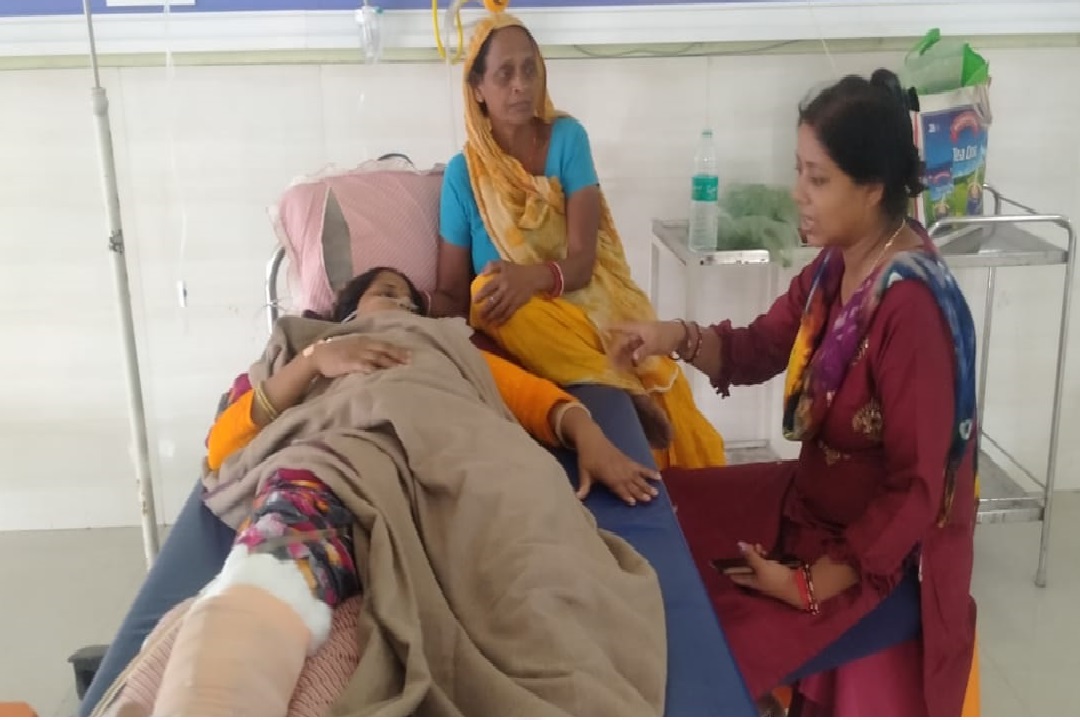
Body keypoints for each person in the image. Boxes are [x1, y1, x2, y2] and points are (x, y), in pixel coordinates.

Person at [608, 70, 979, 716]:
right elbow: (757, 347)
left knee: (699, 650)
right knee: (651, 518)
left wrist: (807, 585)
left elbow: (916, 492)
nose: (797, 193)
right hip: (809, 502)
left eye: (818, 178)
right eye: (798, 171)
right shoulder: (837, 267)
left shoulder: (911, 308)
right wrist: (668, 336)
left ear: (872, 188)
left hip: (875, 555)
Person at [149, 266, 663, 715]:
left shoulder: (448, 343)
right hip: (341, 452)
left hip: (470, 459)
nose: (402, 304)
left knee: (536, 569)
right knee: (279, 551)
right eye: (387, 292)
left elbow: (536, 400)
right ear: (350, 309)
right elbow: (223, 447)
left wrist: (591, 438)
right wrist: (315, 361)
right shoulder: (304, 348)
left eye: (411, 301)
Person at [429, 12, 725, 470]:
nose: (520, 85)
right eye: (505, 74)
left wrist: (530, 278)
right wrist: (407, 308)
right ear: (478, 89)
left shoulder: (567, 139)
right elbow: (453, 294)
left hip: (590, 304)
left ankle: (622, 388)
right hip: (530, 327)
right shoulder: (462, 176)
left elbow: (584, 264)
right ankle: (619, 385)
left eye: (530, 69)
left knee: (666, 425)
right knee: (484, 295)